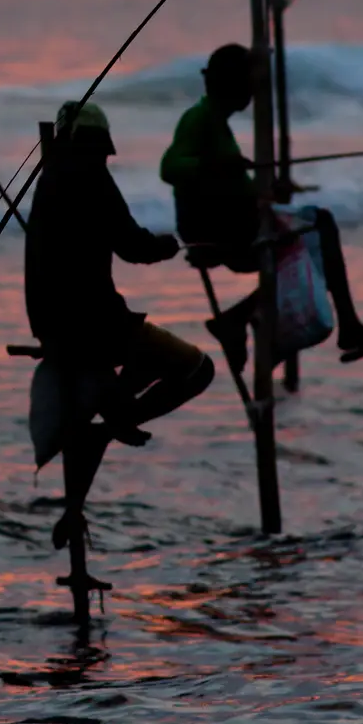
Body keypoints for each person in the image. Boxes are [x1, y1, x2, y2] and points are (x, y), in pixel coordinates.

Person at [24, 101, 214, 533]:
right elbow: (134, 247)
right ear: (96, 144)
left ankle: (76, 502)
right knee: (199, 369)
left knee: (109, 389)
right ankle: (119, 418)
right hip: (97, 325)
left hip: (53, 325)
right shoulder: (90, 175)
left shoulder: (50, 177)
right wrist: (167, 245)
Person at [160, 42, 363, 366]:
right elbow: (170, 167)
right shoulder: (199, 118)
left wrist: (269, 193)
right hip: (216, 230)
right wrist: (216, 167)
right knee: (320, 225)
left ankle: (241, 318)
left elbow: (233, 188)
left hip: (231, 222)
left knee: (316, 243)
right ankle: (345, 326)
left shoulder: (219, 125)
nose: (253, 90)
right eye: (249, 82)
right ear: (232, 83)